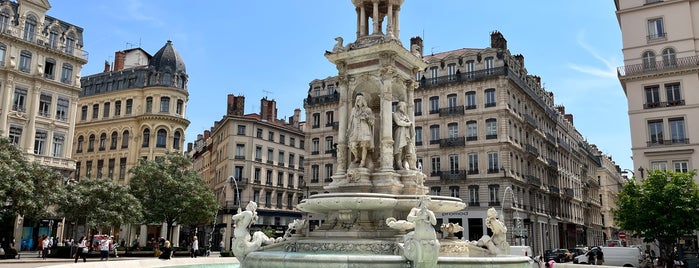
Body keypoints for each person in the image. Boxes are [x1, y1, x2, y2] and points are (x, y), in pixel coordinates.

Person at [347, 94, 375, 168]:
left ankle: (363, 162)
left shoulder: (368, 110)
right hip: (355, 130)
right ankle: (356, 157)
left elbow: (372, 122)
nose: (358, 102)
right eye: (357, 100)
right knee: (352, 145)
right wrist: (349, 129)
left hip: (364, 129)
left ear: (363, 101)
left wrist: (367, 117)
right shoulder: (353, 110)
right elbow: (350, 120)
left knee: (364, 146)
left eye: (359, 100)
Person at [392, 101, 413, 170]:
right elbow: (398, 122)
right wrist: (407, 124)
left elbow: (410, 122)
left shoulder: (405, 115)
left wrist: (409, 123)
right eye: (403, 106)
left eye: (405, 107)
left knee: (405, 149)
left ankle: (405, 162)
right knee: (399, 148)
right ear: (400, 106)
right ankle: (398, 163)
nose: (404, 108)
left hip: (406, 133)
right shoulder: (395, 114)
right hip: (399, 132)